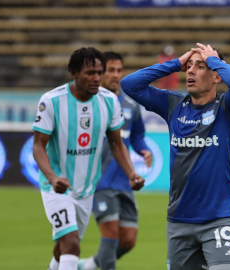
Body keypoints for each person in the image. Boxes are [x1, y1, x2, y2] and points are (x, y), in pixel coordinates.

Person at [121, 43, 230, 270]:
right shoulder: (173, 104)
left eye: (200, 67)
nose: (190, 71)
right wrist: (174, 64)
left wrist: (215, 61)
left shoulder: (229, 107)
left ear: (217, 76)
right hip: (179, 221)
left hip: (219, 218)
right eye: (189, 66)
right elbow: (129, 85)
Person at [32, 47, 145, 270]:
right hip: (57, 188)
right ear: (74, 72)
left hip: (87, 189)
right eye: (90, 73)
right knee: (72, 245)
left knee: (63, 247)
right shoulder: (51, 101)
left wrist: (132, 173)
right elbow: (38, 146)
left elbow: (116, 143)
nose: (96, 78)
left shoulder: (109, 102)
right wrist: (53, 178)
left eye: (99, 73)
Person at [78, 52, 152, 270]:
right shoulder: (89, 103)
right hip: (99, 180)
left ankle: (89, 265)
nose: (116, 75)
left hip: (125, 181)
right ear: (101, 73)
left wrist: (144, 150)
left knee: (128, 239)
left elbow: (137, 135)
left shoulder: (130, 105)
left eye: (119, 70)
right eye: (110, 70)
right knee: (110, 234)